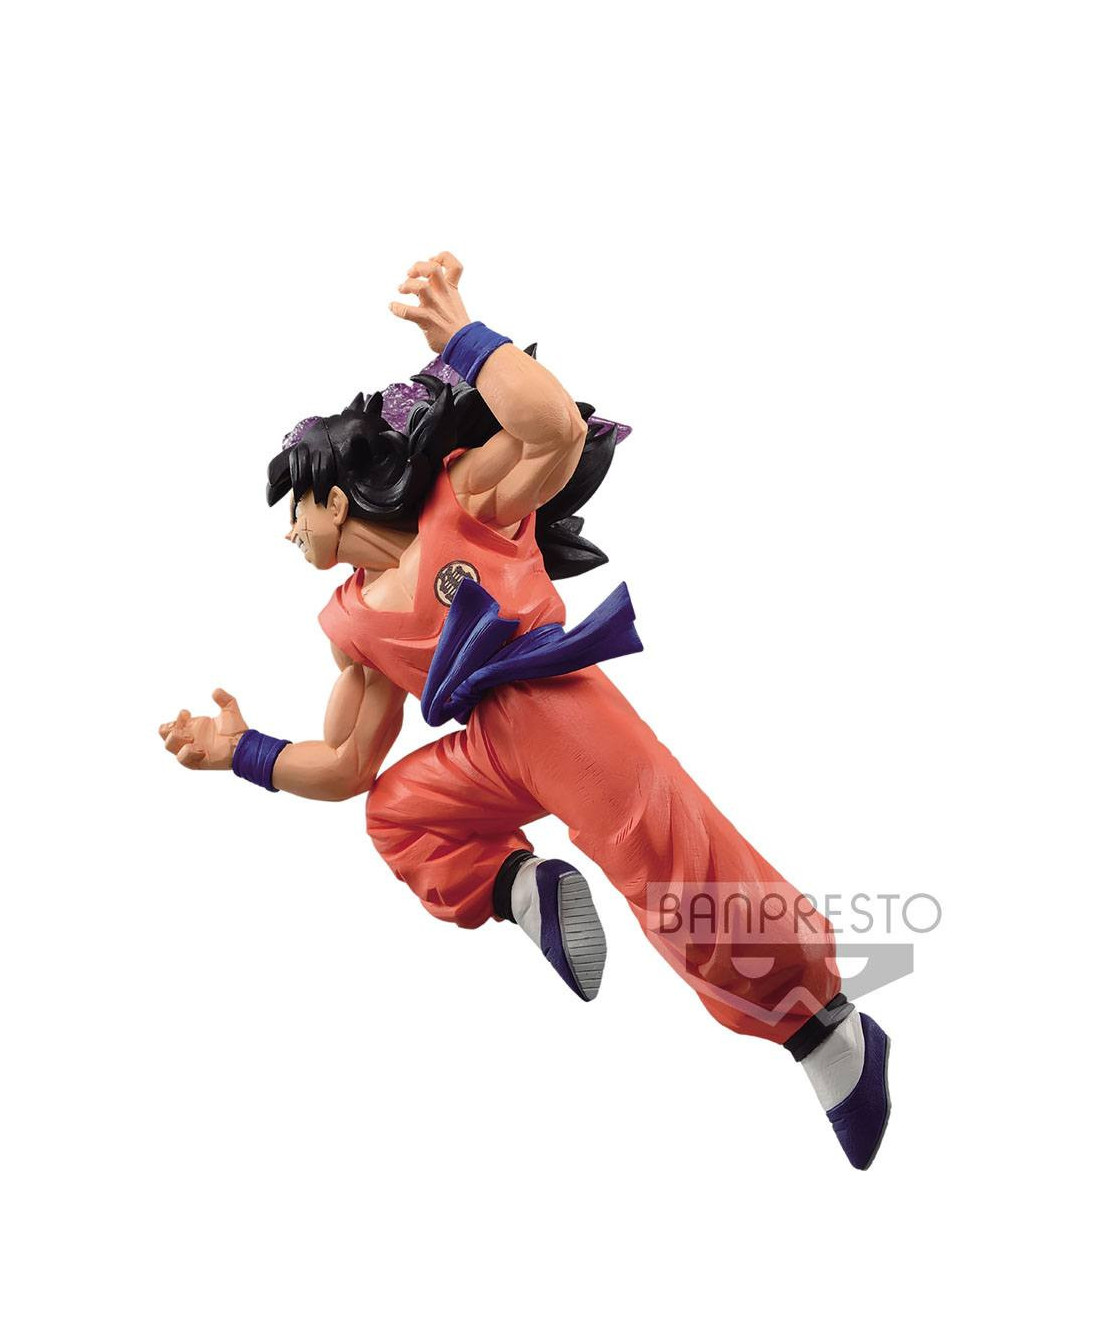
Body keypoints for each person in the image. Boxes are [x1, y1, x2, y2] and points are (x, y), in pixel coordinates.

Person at [158, 252, 891, 1169]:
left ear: (333, 498)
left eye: (294, 512)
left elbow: (553, 432)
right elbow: (347, 765)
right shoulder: (349, 623)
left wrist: (462, 335)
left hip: (555, 710)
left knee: (671, 864)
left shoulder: (462, 504)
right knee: (400, 812)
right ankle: (521, 887)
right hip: (491, 748)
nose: (289, 532)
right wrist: (243, 751)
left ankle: (824, 1030)